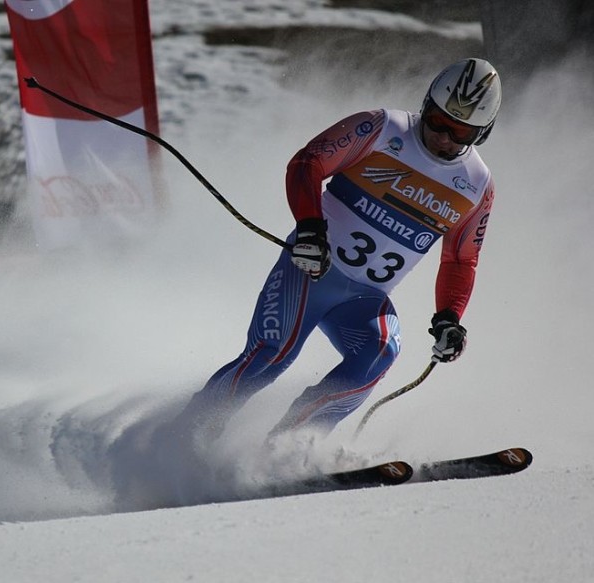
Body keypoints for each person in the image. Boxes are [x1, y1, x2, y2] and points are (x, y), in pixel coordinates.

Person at [175, 58, 501, 448]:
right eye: (436, 121)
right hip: (311, 272)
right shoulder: (381, 128)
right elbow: (308, 162)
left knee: (380, 352)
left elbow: (461, 259)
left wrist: (449, 318)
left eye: (460, 132)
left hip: (365, 298)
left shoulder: (477, 185)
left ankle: (289, 446)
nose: (443, 137)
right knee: (271, 356)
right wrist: (311, 228)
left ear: (481, 133)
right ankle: (185, 436)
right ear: (426, 104)